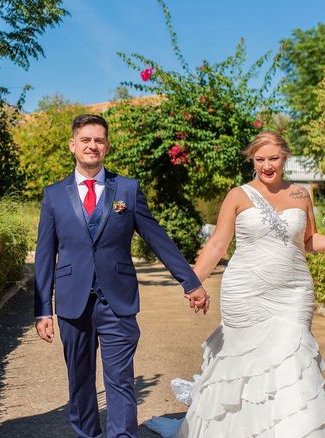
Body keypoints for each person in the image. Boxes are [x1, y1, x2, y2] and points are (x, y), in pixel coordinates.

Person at [147, 131, 325, 437]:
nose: (267, 166)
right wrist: (192, 283)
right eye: (260, 159)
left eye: (274, 158)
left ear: (285, 157)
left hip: (293, 291)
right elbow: (217, 245)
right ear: (252, 160)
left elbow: (307, 240)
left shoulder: (300, 195)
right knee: (243, 361)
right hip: (245, 291)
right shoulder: (238, 195)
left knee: (292, 356)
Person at [34, 114, 211, 438]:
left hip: (117, 301)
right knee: (80, 379)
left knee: (120, 380)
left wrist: (190, 281)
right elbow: (45, 254)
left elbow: (156, 237)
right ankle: (88, 434)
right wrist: (43, 309)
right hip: (73, 304)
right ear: (73, 145)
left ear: (107, 146)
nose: (92, 145)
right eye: (85, 139)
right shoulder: (54, 195)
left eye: (99, 140)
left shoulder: (127, 190)